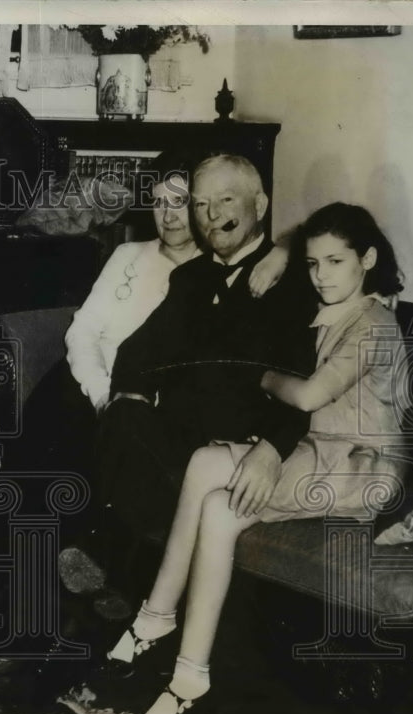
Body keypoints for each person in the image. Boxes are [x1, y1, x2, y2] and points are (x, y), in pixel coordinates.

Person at [110, 202, 410, 714]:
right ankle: (163, 628)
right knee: (205, 463)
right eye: (314, 263)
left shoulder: (375, 323)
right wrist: (283, 252)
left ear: (367, 259)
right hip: (321, 452)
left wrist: (263, 376)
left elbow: (309, 392)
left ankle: (185, 673)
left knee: (222, 510)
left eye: (336, 262)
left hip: (363, 471)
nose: (321, 276)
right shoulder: (331, 309)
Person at [17, 152, 287, 610]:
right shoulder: (163, 267)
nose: (175, 213)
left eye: (185, 201)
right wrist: (116, 393)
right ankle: (61, 565)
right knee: (80, 415)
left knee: (113, 432)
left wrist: (286, 250)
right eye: (162, 201)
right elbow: (112, 340)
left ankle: (93, 562)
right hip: (136, 399)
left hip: (195, 417)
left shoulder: (251, 271)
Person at [97, 154, 318, 574]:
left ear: (261, 205)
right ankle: (131, 570)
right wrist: (135, 396)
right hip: (181, 439)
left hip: (238, 448)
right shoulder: (190, 278)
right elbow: (137, 351)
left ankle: (127, 572)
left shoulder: (294, 281)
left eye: (226, 199)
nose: (213, 215)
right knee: (122, 416)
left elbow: (307, 378)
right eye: (200, 204)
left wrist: (271, 448)